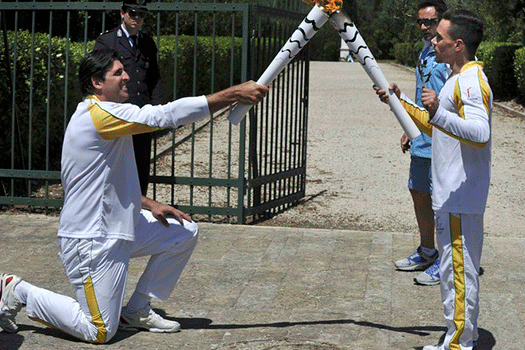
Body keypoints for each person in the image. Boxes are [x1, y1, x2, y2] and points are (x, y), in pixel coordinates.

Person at [0, 49, 268, 343]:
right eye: (117, 73)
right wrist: (232, 94)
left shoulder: (105, 116)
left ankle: (138, 309)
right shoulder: (98, 116)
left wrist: (150, 204)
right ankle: (18, 290)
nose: (126, 76)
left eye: (123, 70)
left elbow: (102, 181)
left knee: (183, 232)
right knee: (99, 330)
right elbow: (163, 115)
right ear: (96, 83)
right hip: (92, 240)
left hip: (120, 227)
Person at [375, 9, 491, 350]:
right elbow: (434, 126)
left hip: (460, 197)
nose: (433, 40)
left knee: (458, 275)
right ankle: (455, 340)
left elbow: (479, 132)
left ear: (457, 45)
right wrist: (400, 102)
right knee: (452, 274)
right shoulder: (456, 79)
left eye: (439, 37)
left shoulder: (470, 81)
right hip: (451, 196)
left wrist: (438, 110)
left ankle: (458, 345)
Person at [393, 0, 449, 287]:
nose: (425, 27)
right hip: (420, 137)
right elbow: (420, 93)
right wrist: (409, 127)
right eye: (422, 22)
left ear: (443, 21)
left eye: (431, 21)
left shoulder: (448, 55)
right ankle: (428, 251)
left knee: (442, 203)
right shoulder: (425, 51)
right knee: (418, 194)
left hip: (442, 137)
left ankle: (447, 262)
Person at [94, 0, 161, 196]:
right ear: (122, 14)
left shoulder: (147, 42)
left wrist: (157, 108)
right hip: (117, 113)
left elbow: (154, 78)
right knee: (115, 164)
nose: (137, 19)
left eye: (141, 15)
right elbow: (98, 76)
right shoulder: (107, 42)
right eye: (133, 14)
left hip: (140, 113)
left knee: (140, 164)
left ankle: (139, 209)